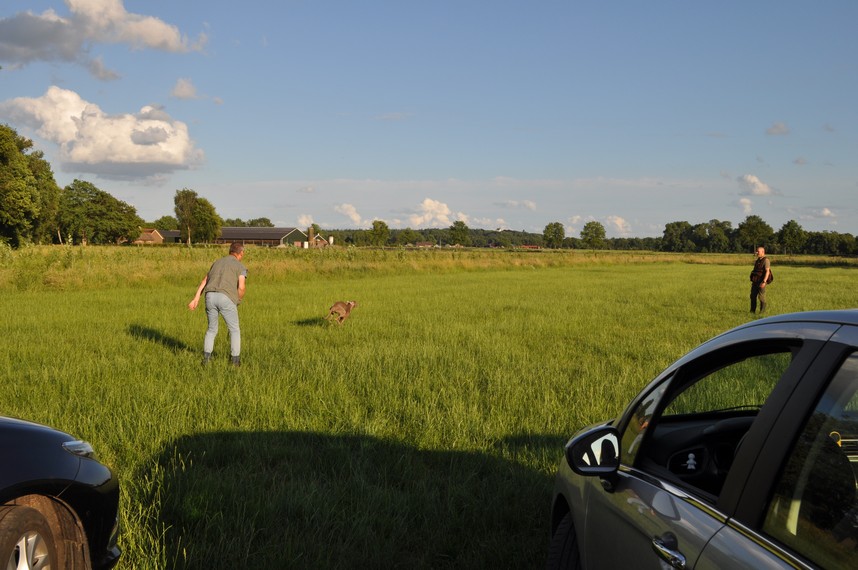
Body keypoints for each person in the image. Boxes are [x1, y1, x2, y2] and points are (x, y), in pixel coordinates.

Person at [188, 242, 248, 366]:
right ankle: (235, 362)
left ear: (230, 251)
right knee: (234, 330)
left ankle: (206, 360)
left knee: (211, 329)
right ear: (241, 253)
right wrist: (238, 300)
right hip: (226, 297)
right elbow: (241, 287)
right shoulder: (240, 266)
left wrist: (196, 298)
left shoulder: (217, 263)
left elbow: (205, 281)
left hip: (209, 296)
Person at [749, 246, 771, 314]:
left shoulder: (766, 260)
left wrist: (764, 281)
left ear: (763, 252)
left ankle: (762, 311)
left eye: (758, 251)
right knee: (752, 296)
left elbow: (767, 271)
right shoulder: (757, 260)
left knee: (761, 297)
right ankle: (752, 311)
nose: (757, 253)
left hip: (761, 281)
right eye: (757, 251)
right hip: (755, 281)